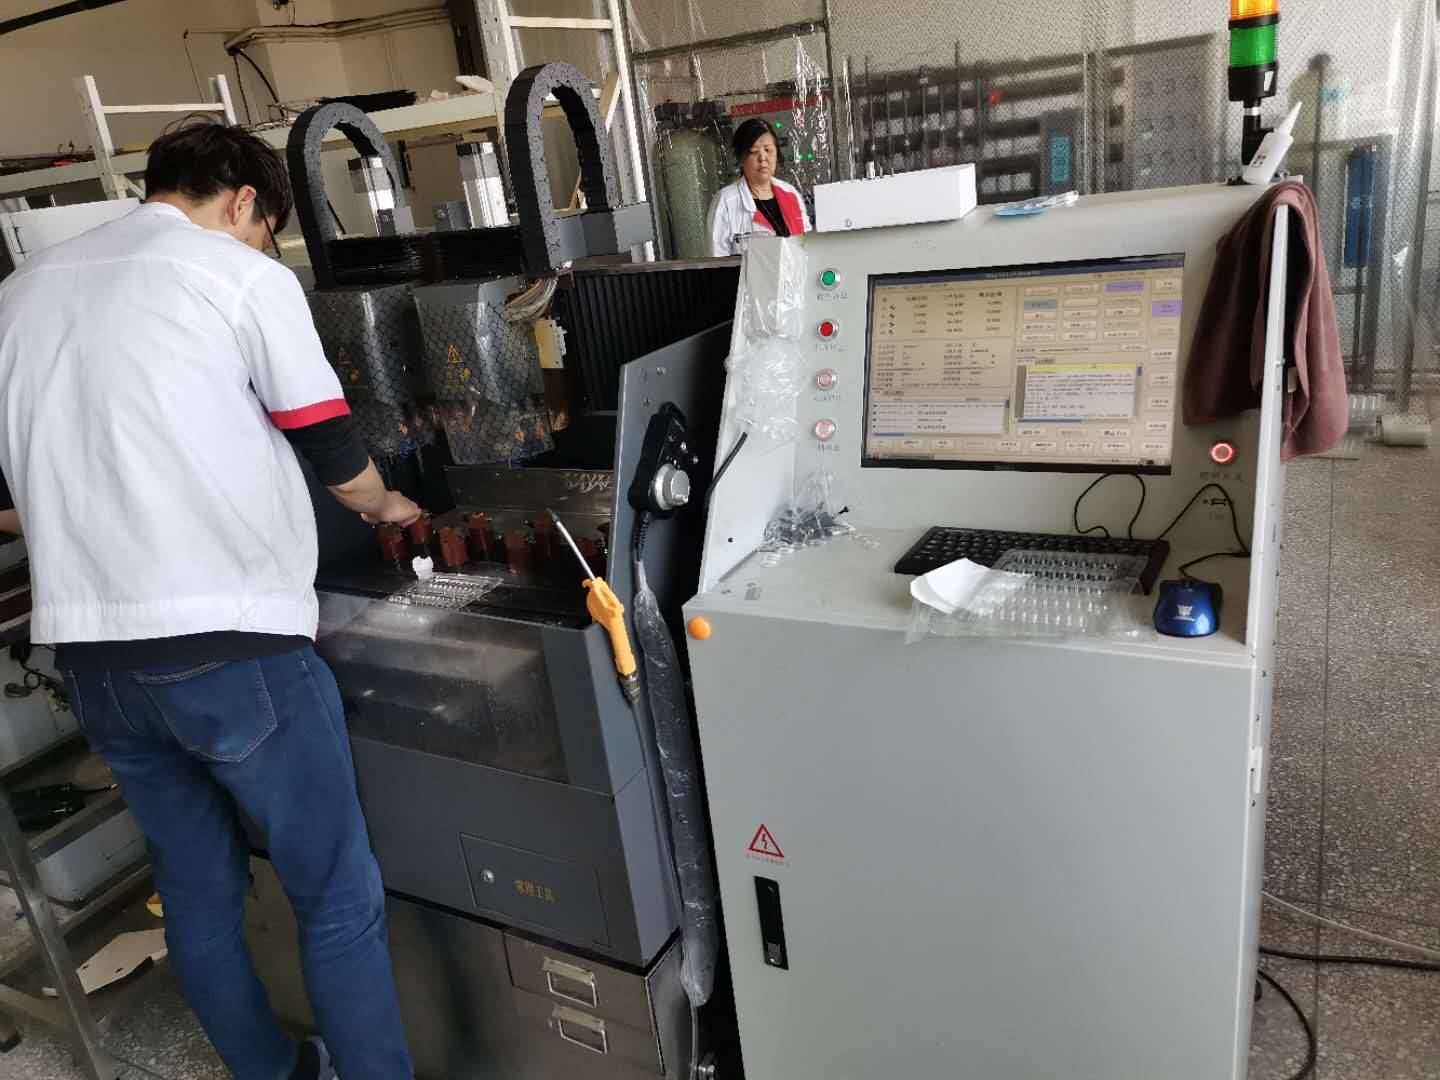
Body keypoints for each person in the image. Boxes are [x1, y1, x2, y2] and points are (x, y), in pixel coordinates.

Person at [0, 122, 419, 1080]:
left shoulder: (21, 294)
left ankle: (273, 1072)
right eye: (269, 230)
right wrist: (387, 504)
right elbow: (329, 442)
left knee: (197, 895)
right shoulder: (236, 275)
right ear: (244, 201)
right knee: (335, 897)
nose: (266, 247)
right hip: (235, 654)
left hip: (96, 663)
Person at [707, 117, 811, 257]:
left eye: (768, 150)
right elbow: (717, 260)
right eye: (754, 151)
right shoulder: (726, 201)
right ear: (741, 158)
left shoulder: (790, 193)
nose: (763, 158)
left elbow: (807, 246)